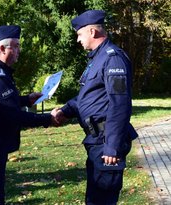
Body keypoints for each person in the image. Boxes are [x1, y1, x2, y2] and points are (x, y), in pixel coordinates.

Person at [52, 10, 138, 205]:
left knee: (102, 200)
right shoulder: (96, 60)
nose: (77, 40)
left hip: (106, 142)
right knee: (94, 199)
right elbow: (87, 96)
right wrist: (65, 111)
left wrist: (112, 146)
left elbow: (120, 104)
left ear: (92, 32)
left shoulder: (112, 58)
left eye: (79, 34)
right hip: (96, 140)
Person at [0, 25, 57, 204]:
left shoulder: (0, 71)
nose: (19, 50)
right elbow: (14, 116)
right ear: (2, 49)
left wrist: (27, 99)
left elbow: (2, 103)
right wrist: (49, 118)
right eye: (16, 46)